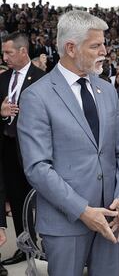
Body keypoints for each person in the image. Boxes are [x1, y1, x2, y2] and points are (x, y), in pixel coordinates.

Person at [16, 10, 119, 276]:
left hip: (111, 220)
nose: (105, 50)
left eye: (104, 43)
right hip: (65, 224)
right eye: (96, 45)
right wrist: (82, 211)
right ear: (71, 48)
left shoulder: (107, 91)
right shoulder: (37, 96)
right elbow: (38, 167)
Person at [0, 32, 45, 266]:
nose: (4, 56)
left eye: (8, 52)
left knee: (44, 199)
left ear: (23, 51)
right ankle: (24, 245)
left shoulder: (42, 79)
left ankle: (46, 245)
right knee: (17, 200)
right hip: (8, 149)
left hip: (35, 151)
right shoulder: (2, 79)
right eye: (3, 52)